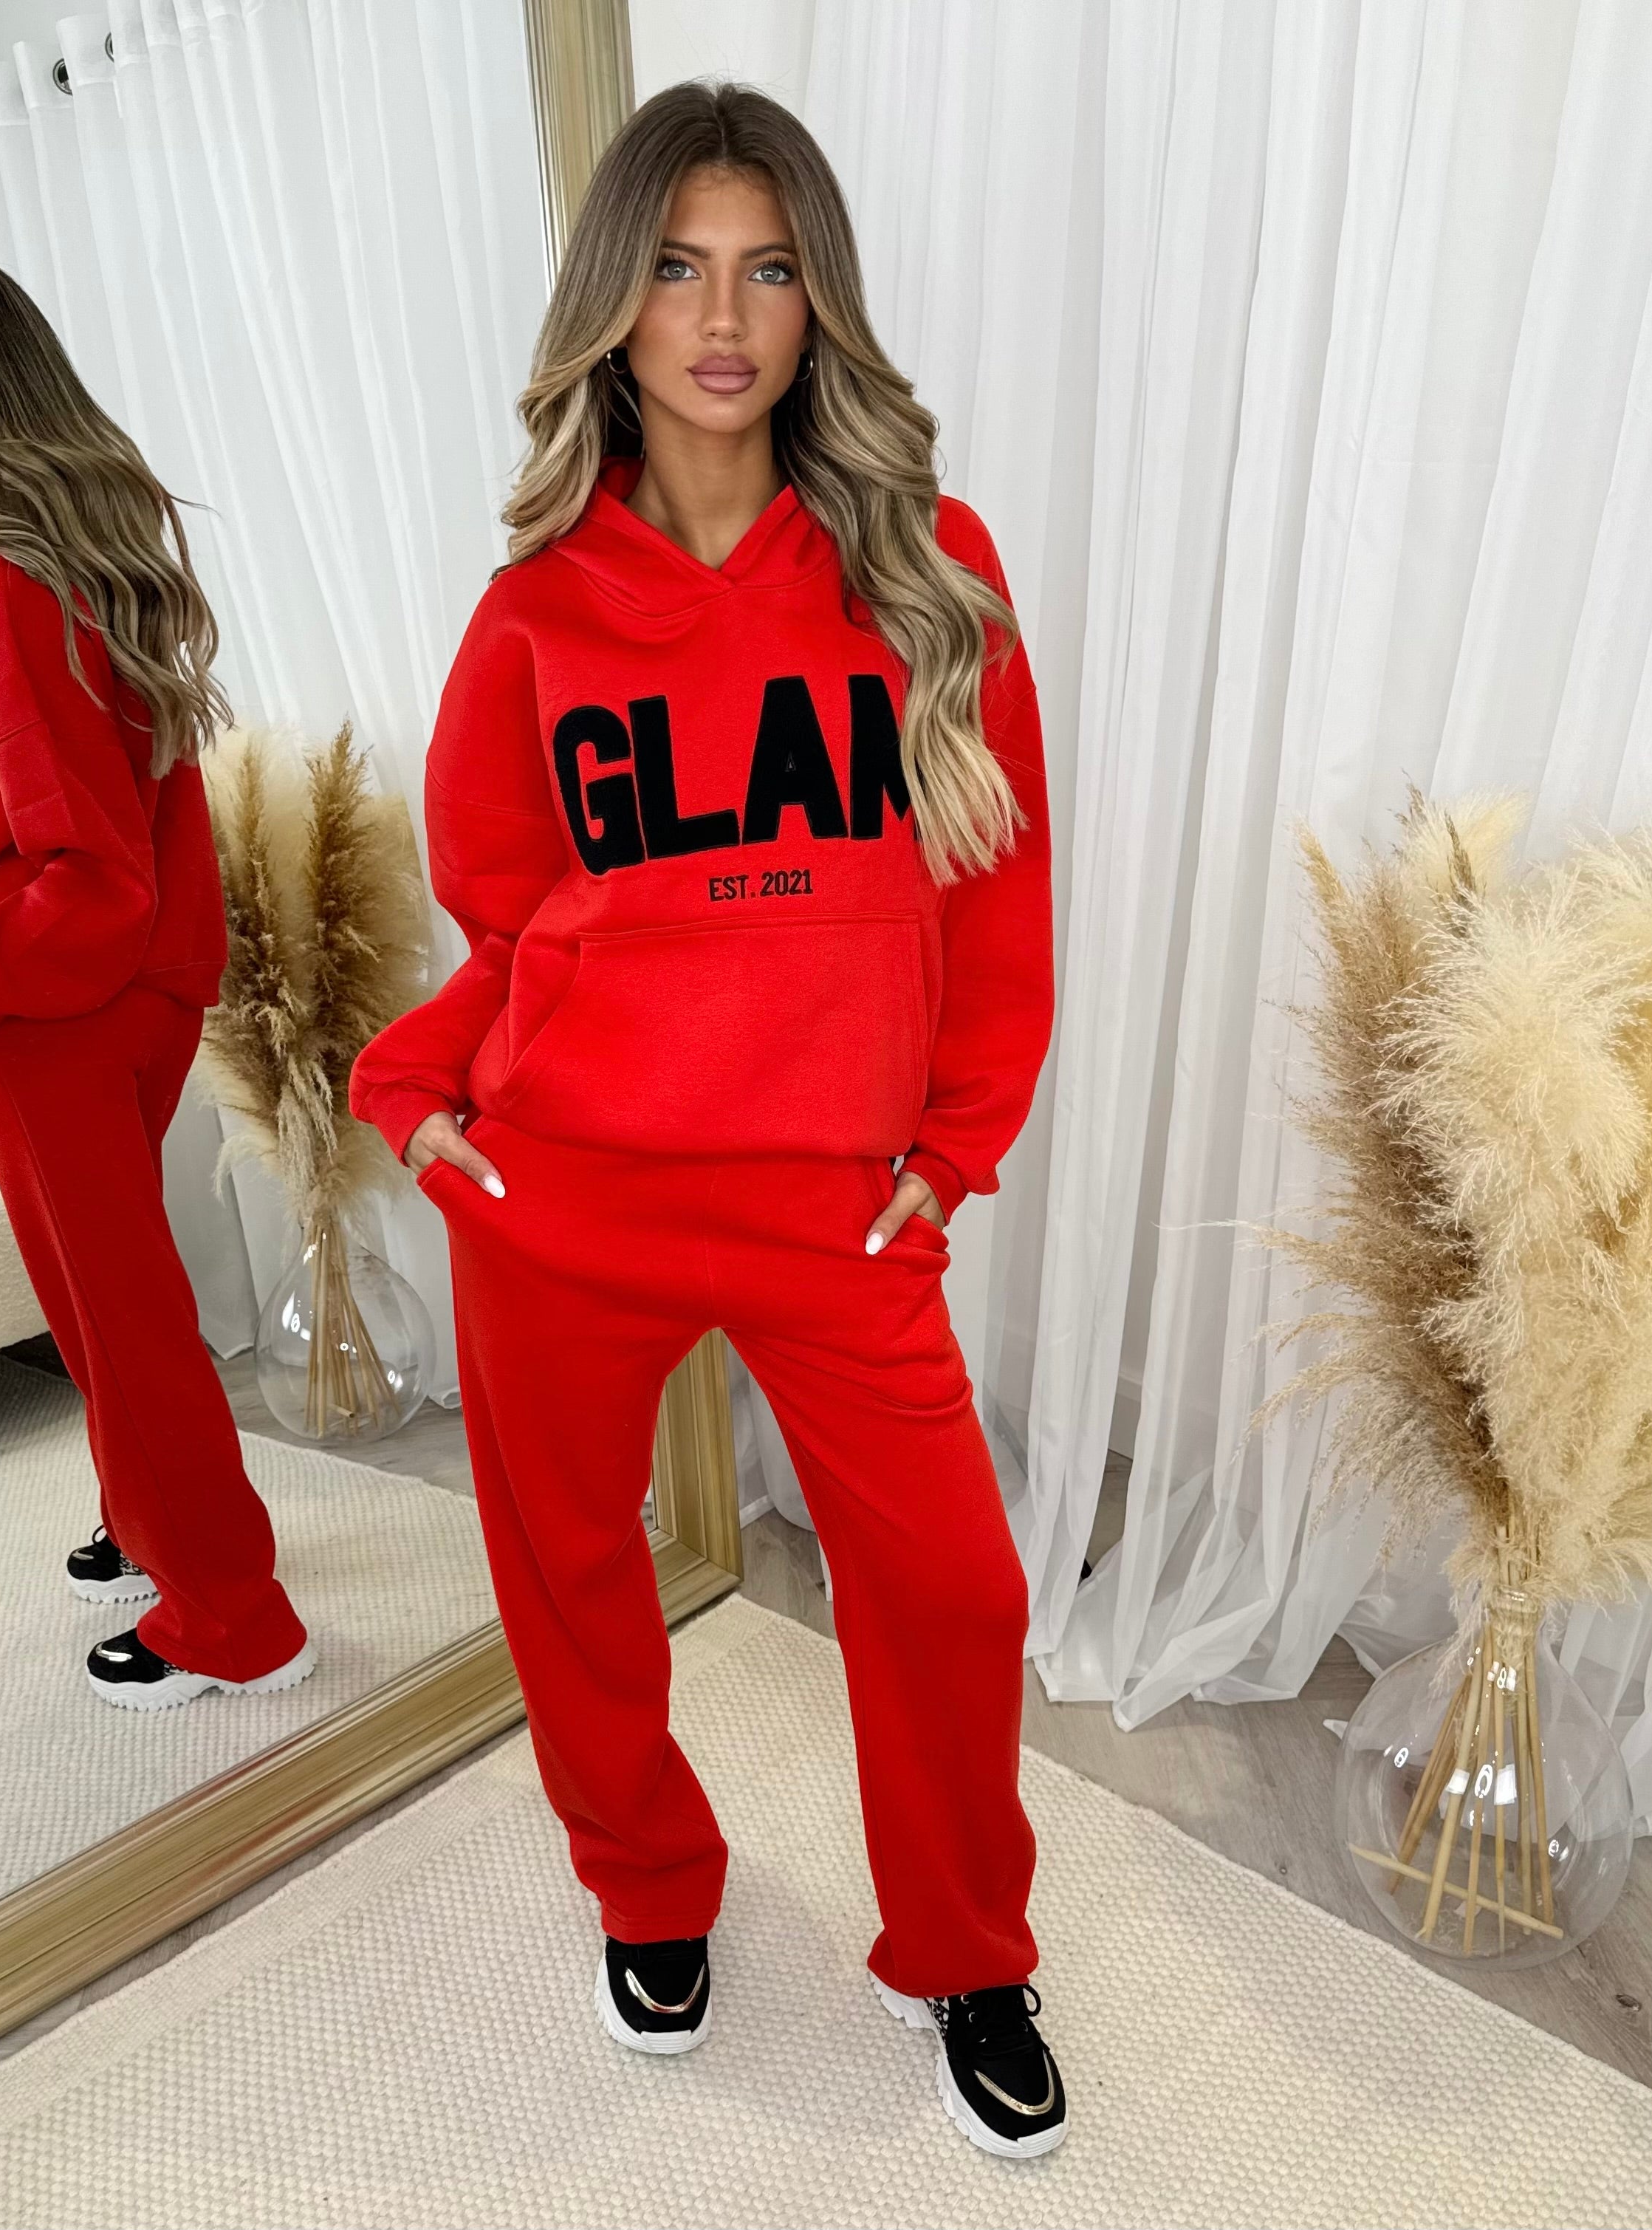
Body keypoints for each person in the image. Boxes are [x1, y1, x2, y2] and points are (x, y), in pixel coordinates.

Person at [349, 83, 1061, 2158]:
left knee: (954, 1589)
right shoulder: (536, 615)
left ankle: (966, 1942)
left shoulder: (929, 570)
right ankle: (649, 1885)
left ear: (819, 300)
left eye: (767, 269)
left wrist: (954, 1145)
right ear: (616, 305)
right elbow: (517, 923)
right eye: (675, 269)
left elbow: (997, 896)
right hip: (568, 1190)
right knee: (569, 1573)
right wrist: (415, 1093)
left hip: (836, 1202)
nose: (723, 318)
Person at [0, 253, 312, 1712]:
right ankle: (150, 1523)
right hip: (124, 999)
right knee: (108, 1304)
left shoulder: (5, 595)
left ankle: (230, 1617)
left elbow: (89, 870)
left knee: (118, 1322)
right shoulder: (79, 564)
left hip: (50, 1010)